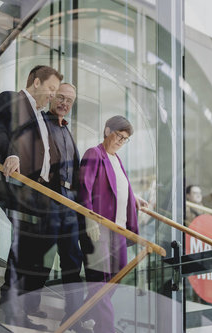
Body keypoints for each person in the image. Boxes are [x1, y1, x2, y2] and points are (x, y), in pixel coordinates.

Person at [0, 65, 63, 330]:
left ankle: (24, 305)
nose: (52, 95)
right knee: (25, 240)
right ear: (37, 82)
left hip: (39, 192)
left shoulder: (43, 118)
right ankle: (11, 305)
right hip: (14, 184)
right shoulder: (10, 99)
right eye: (51, 89)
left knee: (44, 243)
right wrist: (10, 153)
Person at [78, 115, 147, 333]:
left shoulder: (117, 160)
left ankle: (79, 315)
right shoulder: (94, 154)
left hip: (119, 229)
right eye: (119, 135)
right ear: (107, 131)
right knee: (100, 281)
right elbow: (84, 190)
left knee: (115, 278)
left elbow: (117, 186)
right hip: (99, 229)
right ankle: (105, 328)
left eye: (125, 139)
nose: (121, 141)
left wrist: (133, 198)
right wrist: (89, 219)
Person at [43, 83, 92, 332]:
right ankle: (19, 305)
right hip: (48, 196)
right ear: (51, 96)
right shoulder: (41, 123)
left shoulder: (66, 129)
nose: (64, 103)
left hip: (69, 201)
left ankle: (73, 316)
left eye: (69, 101)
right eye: (61, 97)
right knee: (39, 253)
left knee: (73, 260)